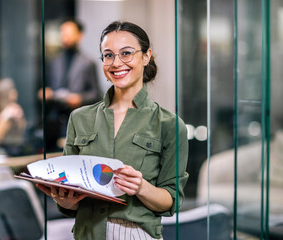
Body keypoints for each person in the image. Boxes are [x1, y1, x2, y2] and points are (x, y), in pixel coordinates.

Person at [36, 21, 189, 239]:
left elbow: (172, 200)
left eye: (126, 53)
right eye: (108, 55)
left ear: (146, 56)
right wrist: (65, 201)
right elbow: (68, 189)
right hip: (86, 233)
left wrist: (141, 187)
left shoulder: (170, 125)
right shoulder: (80, 118)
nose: (116, 63)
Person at [38, 19, 101, 150]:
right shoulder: (55, 61)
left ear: (79, 35)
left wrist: (79, 99)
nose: (64, 36)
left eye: (68, 33)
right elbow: (49, 86)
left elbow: (96, 94)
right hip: (56, 121)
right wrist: (46, 93)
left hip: (79, 122)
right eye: (62, 33)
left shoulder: (87, 63)